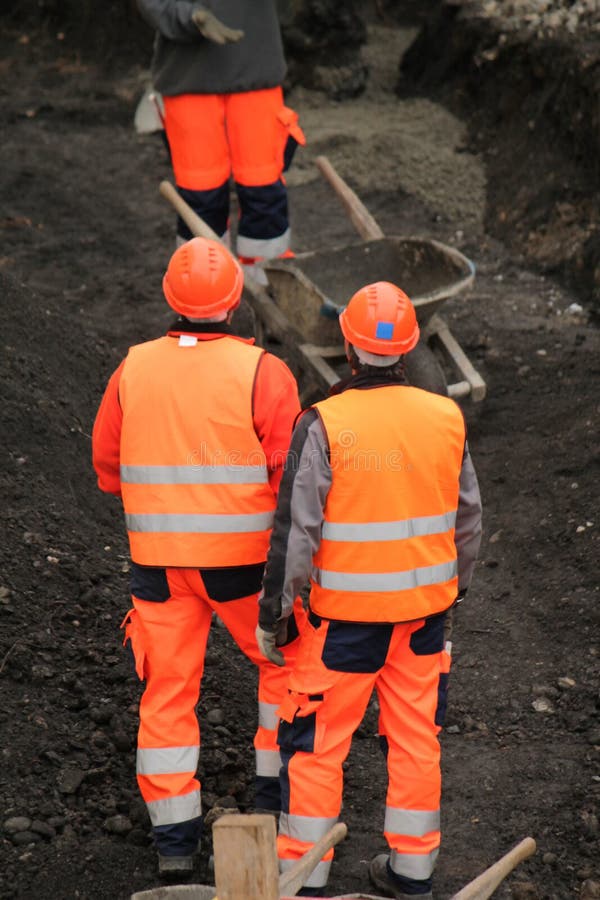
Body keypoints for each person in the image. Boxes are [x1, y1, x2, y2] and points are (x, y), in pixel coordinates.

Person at [256, 281, 483, 898]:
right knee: (415, 738)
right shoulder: (445, 417)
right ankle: (412, 874)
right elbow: (469, 520)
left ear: (348, 347)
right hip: (423, 619)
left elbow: (295, 532)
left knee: (317, 744)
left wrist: (275, 618)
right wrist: (450, 592)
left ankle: (306, 877)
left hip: (343, 626)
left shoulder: (325, 422)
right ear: (408, 351)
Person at [92, 236, 306, 877]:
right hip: (241, 567)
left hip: (157, 567)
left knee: (167, 694)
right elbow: (292, 479)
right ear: (235, 300)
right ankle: (273, 814)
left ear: (168, 296)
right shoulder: (262, 372)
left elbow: (107, 468)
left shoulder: (133, 369)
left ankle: (175, 849)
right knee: (281, 668)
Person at [136, 0, 305, 282]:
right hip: (190, 80)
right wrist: (191, 17)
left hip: (253, 75)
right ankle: (203, 295)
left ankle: (270, 287)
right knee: (200, 198)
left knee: (263, 190)